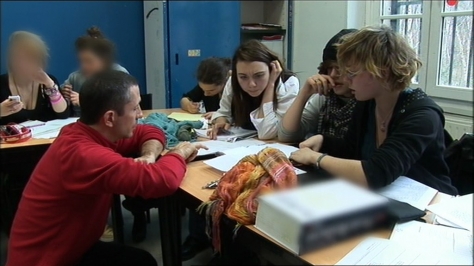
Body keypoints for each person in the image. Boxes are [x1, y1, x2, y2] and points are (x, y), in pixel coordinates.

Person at [6, 70, 207, 266]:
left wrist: (149, 155)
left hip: (72, 249)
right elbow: (161, 180)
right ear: (110, 118)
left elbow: (149, 131)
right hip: (50, 260)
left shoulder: (89, 133)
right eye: (135, 108)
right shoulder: (84, 154)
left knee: (140, 261)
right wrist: (179, 153)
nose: (139, 115)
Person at [289, 25, 458, 195]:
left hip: (430, 207)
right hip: (387, 198)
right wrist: (323, 140)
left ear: (381, 72)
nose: (347, 81)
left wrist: (316, 158)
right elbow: (351, 150)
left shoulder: (422, 115)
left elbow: (376, 173)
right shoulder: (368, 103)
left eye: (352, 73)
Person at [209, 39, 299, 140]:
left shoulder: (289, 83)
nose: (252, 84)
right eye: (243, 77)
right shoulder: (233, 81)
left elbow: (267, 132)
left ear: (272, 69)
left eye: (259, 75)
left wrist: (271, 84)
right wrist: (221, 120)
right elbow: (223, 112)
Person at [279, 29, 357, 142]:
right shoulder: (326, 97)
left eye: (340, 68)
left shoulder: (366, 102)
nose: (333, 74)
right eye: (329, 68)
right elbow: (286, 135)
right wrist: (304, 94)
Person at [0, 31, 69, 124]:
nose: (26, 64)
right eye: (21, 58)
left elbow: (63, 114)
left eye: (33, 59)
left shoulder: (48, 82)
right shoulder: (2, 83)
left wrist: (50, 85)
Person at [62, 26, 129, 117]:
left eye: (89, 61)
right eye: (81, 61)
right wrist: (63, 95)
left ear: (104, 60)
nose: (83, 66)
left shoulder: (119, 75)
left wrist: (85, 101)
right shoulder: (75, 77)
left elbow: (124, 107)